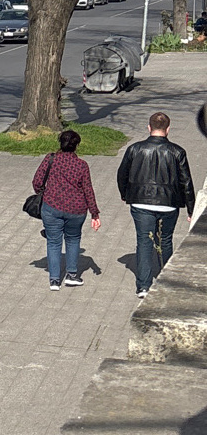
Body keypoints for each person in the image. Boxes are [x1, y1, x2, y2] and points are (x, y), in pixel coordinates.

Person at [117, 111, 195, 299]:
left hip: (141, 202)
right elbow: (186, 182)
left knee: (144, 242)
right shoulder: (177, 152)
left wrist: (125, 194)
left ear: (149, 127)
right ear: (168, 129)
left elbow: (122, 174)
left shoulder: (135, 149)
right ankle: (166, 281)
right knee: (166, 240)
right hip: (169, 203)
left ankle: (143, 286)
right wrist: (191, 209)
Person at [33, 129, 100, 291]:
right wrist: (94, 213)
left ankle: (54, 280)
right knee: (73, 239)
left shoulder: (51, 159)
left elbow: (37, 182)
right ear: (76, 146)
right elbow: (88, 190)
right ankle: (72, 275)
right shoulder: (82, 165)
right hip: (76, 210)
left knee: (53, 242)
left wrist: (45, 193)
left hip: (51, 207)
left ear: (60, 143)